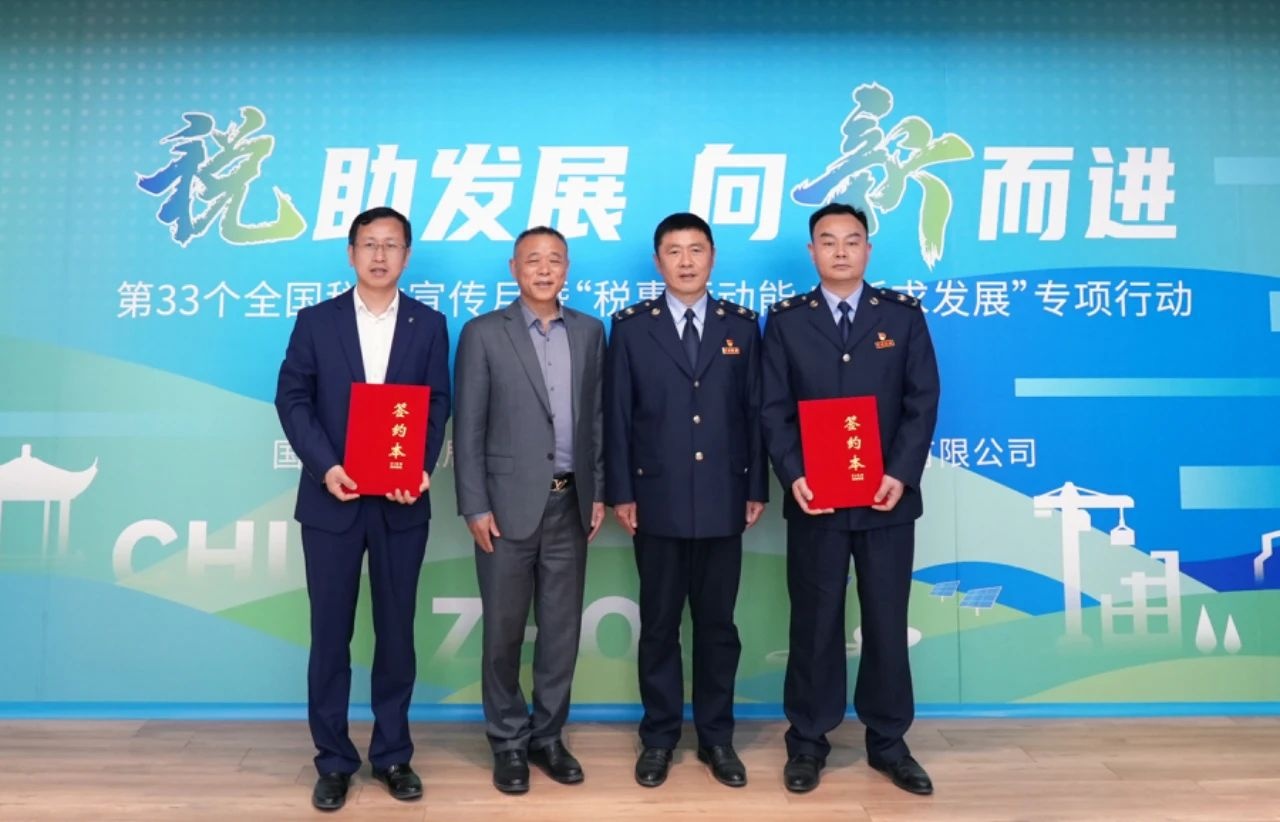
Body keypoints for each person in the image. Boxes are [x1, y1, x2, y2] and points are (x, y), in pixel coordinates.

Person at [760, 202, 940, 796]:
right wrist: (793, 475)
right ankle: (808, 742)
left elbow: (922, 400)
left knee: (886, 621)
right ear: (811, 252)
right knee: (815, 621)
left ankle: (888, 742)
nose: (840, 250)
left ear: (868, 250)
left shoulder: (902, 316)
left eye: (852, 240)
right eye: (828, 240)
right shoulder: (787, 321)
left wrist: (901, 474)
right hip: (817, 499)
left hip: (887, 500)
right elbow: (772, 408)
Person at [275, 206, 451, 811]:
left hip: (401, 503)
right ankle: (332, 760)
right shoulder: (316, 321)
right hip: (333, 501)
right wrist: (327, 467)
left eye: (391, 245)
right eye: (369, 244)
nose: (380, 255)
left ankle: (393, 754)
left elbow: (436, 404)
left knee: (397, 632)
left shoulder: (429, 325)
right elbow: (293, 399)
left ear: (407, 255)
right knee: (330, 635)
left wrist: (419, 468)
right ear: (351, 253)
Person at [604, 212, 768, 789]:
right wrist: (621, 491)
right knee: (659, 625)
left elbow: (755, 411)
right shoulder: (631, 328)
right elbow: (617, 415)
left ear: (712, 257)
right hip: (656, 499)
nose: (686, 261)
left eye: (696, 250)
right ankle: (659, 738)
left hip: (725, 497)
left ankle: (717, 738)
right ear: (658, 262)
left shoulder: (741, 326)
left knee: (718, 626)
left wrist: (755, 486)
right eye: (674, 251)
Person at [453, 225, 606, 794]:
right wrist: (474, 504)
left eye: (555, 260)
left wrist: (598, 492)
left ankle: (548, 736)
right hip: (505, 507)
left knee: (561, 631)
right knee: (504, 631)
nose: (544, 269)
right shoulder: (483, 333)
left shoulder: (589, 332)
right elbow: (468, 427)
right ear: (513, 268)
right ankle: (508, 741)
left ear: (567, 269)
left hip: (571, 502)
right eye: (533, 260)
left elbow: (596, 420)